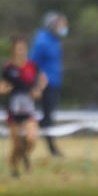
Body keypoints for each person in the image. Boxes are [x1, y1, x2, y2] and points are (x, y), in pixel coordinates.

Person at [0, 35, 46, 178]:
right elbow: (0, 85)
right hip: (13, 111)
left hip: (28, 110)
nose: (21, 51)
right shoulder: (8, 68)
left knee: (31, 139)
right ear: (13, 50)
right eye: (18, 49)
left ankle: (23, 157)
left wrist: (38, 91)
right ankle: (14, 167)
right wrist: (2, 89)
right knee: (17, 144)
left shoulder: (32, 66)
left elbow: (42, 81)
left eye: (23, 48)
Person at [29, 12, 66, 157]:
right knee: (47, 118)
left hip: (54, 82)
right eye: (60, 24)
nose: (63, 27)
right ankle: (51, 148)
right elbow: (33, 63)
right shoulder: (42, 41)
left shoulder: (55, 40)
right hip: (45, 85)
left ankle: (50, 146)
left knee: (48, 117)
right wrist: (37, 82)